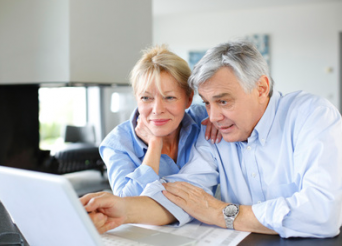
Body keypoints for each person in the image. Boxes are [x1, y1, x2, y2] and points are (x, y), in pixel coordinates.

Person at [81, 40, 342, 238]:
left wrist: (222, 213)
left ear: (261, 88)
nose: (214, 116)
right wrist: (122, 209)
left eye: (223, 101)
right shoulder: (215, 133)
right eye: (207, 103)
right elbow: (184, 193)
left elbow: (322, 214)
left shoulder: (311, 116)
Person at [100, 45, 221, 197]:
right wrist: (155, 145)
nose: (157, 109)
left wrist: (219, 118)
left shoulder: (202, 118)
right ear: (137, 99)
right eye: (146, 98)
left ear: (189, 99)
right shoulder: (117, 143)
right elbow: (127, 204)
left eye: (169, 97)